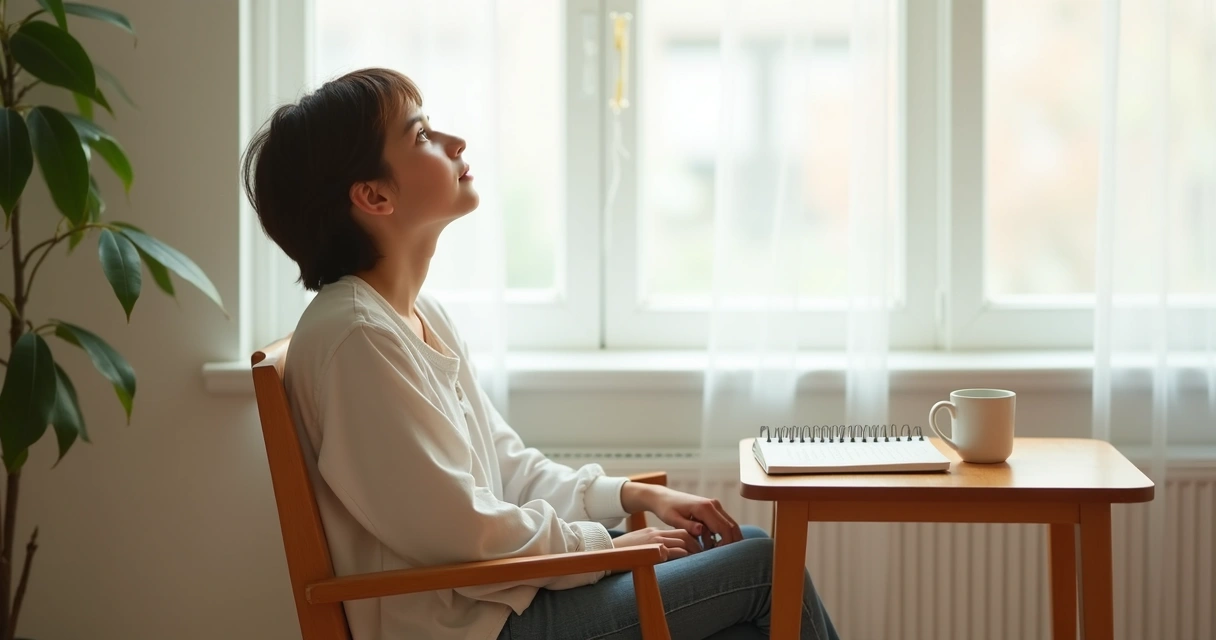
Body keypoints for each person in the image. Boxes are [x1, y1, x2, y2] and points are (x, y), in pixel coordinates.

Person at [241, 67, 840, 640]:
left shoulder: (417, 317)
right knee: (762, 567)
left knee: (743, 579)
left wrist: (633, 496)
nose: (454, 141)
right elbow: (459, 530)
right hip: (476, 625)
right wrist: (604, 548)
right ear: (373, 195)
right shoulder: (356, 338)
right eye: (422, 134)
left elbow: (508, 470)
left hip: (499, 600)